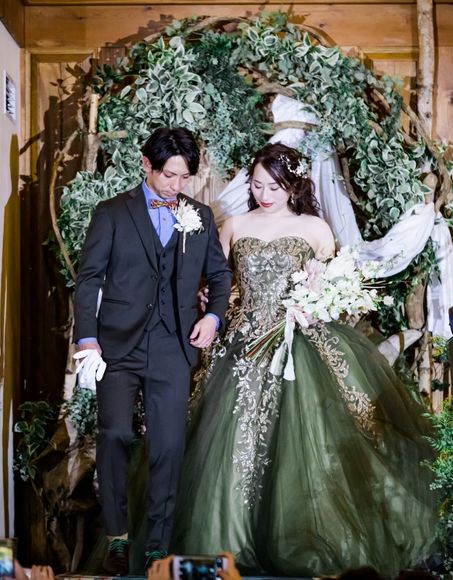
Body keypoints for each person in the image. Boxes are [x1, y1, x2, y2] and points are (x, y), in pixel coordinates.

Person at [170, 143, 438, 577]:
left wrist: (315, 305)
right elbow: (221, 283)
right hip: (242, 346)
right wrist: (209, 300)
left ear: (293, 185)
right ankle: (228, 540)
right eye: (258, 185)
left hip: (298, 343)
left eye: (274, 187)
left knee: (309, 441)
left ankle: (302, 537)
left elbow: (334, 288)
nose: (264, 194)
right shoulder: (234, 224)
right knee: (229, 439)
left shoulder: (316, 229)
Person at [73, 127, 232, 575]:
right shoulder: (112, 212)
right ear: (147, 164)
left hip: (172, 344)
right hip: (116, 344)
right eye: (168, 175)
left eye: (184, 178)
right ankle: (117, 537)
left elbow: (220, 276)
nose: (175, 186)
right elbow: (89, 279)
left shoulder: (200, 216)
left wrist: (212, 317)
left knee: (168, 446)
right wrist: (87, 339)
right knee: (115, 435)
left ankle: (157, 547)